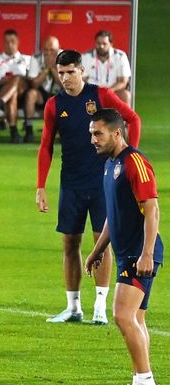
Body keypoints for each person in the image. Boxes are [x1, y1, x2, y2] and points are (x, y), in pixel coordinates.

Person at [37, 49, 141, 325]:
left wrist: (132, 155)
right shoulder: (54, 105)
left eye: (71, 71)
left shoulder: (101, 95)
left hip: (102, 181)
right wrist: (40, 186)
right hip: (70, 182)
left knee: (102, 241)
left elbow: (133, 119)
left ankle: (100, 306)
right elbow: (46, 146)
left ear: (82, 70)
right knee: (70, 243)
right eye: (61, 73)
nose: (66, 78)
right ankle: (73, 307)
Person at [85, 108, 162, 385]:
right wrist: (97, 249)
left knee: (122, 316)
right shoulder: (111, 165)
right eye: (91, 133)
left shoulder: (135, 163)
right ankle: (142, 383)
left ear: (117, 133)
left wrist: (145, 252)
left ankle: (145, 383)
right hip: (126, 252)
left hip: (139, 253)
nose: (92, 139)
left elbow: (152, 209)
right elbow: (112, 217)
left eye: (97, 133)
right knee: (137, 319)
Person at [0, 29, 31, 144]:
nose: (9, 45)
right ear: (3, 43)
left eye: (12, 41)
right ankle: (13, 132)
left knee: (18, 78)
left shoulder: (28, 59)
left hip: (23, 94)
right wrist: (3, 82)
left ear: (18, 42)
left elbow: (32, 81)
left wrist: (15, 79)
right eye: (6, 42)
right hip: (2, 91)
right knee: (12, 94)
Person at [23, 35, 61, 143]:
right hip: (42, 92)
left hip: (59, 94)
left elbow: (66, 84)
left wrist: (53, 69)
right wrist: (46, 70)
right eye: (46, 50)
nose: (48, 53)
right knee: (31, 94)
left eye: (52, 50)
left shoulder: (65, 58)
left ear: (58, 50)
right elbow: (34, 84)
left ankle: (65, 133)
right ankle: (29, 129)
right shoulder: (35, 58)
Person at [80, 30, 132, 106]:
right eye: (98, 43)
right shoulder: (85, 56)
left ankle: (127, 118)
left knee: (125, 95)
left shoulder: (120, 56)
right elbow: (82, 80)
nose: (101, 46)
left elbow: (123, 82)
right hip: (93, 92)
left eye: (104, 44)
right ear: (95, 43)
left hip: (113, 91)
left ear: (111, 44)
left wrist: (108, 92)